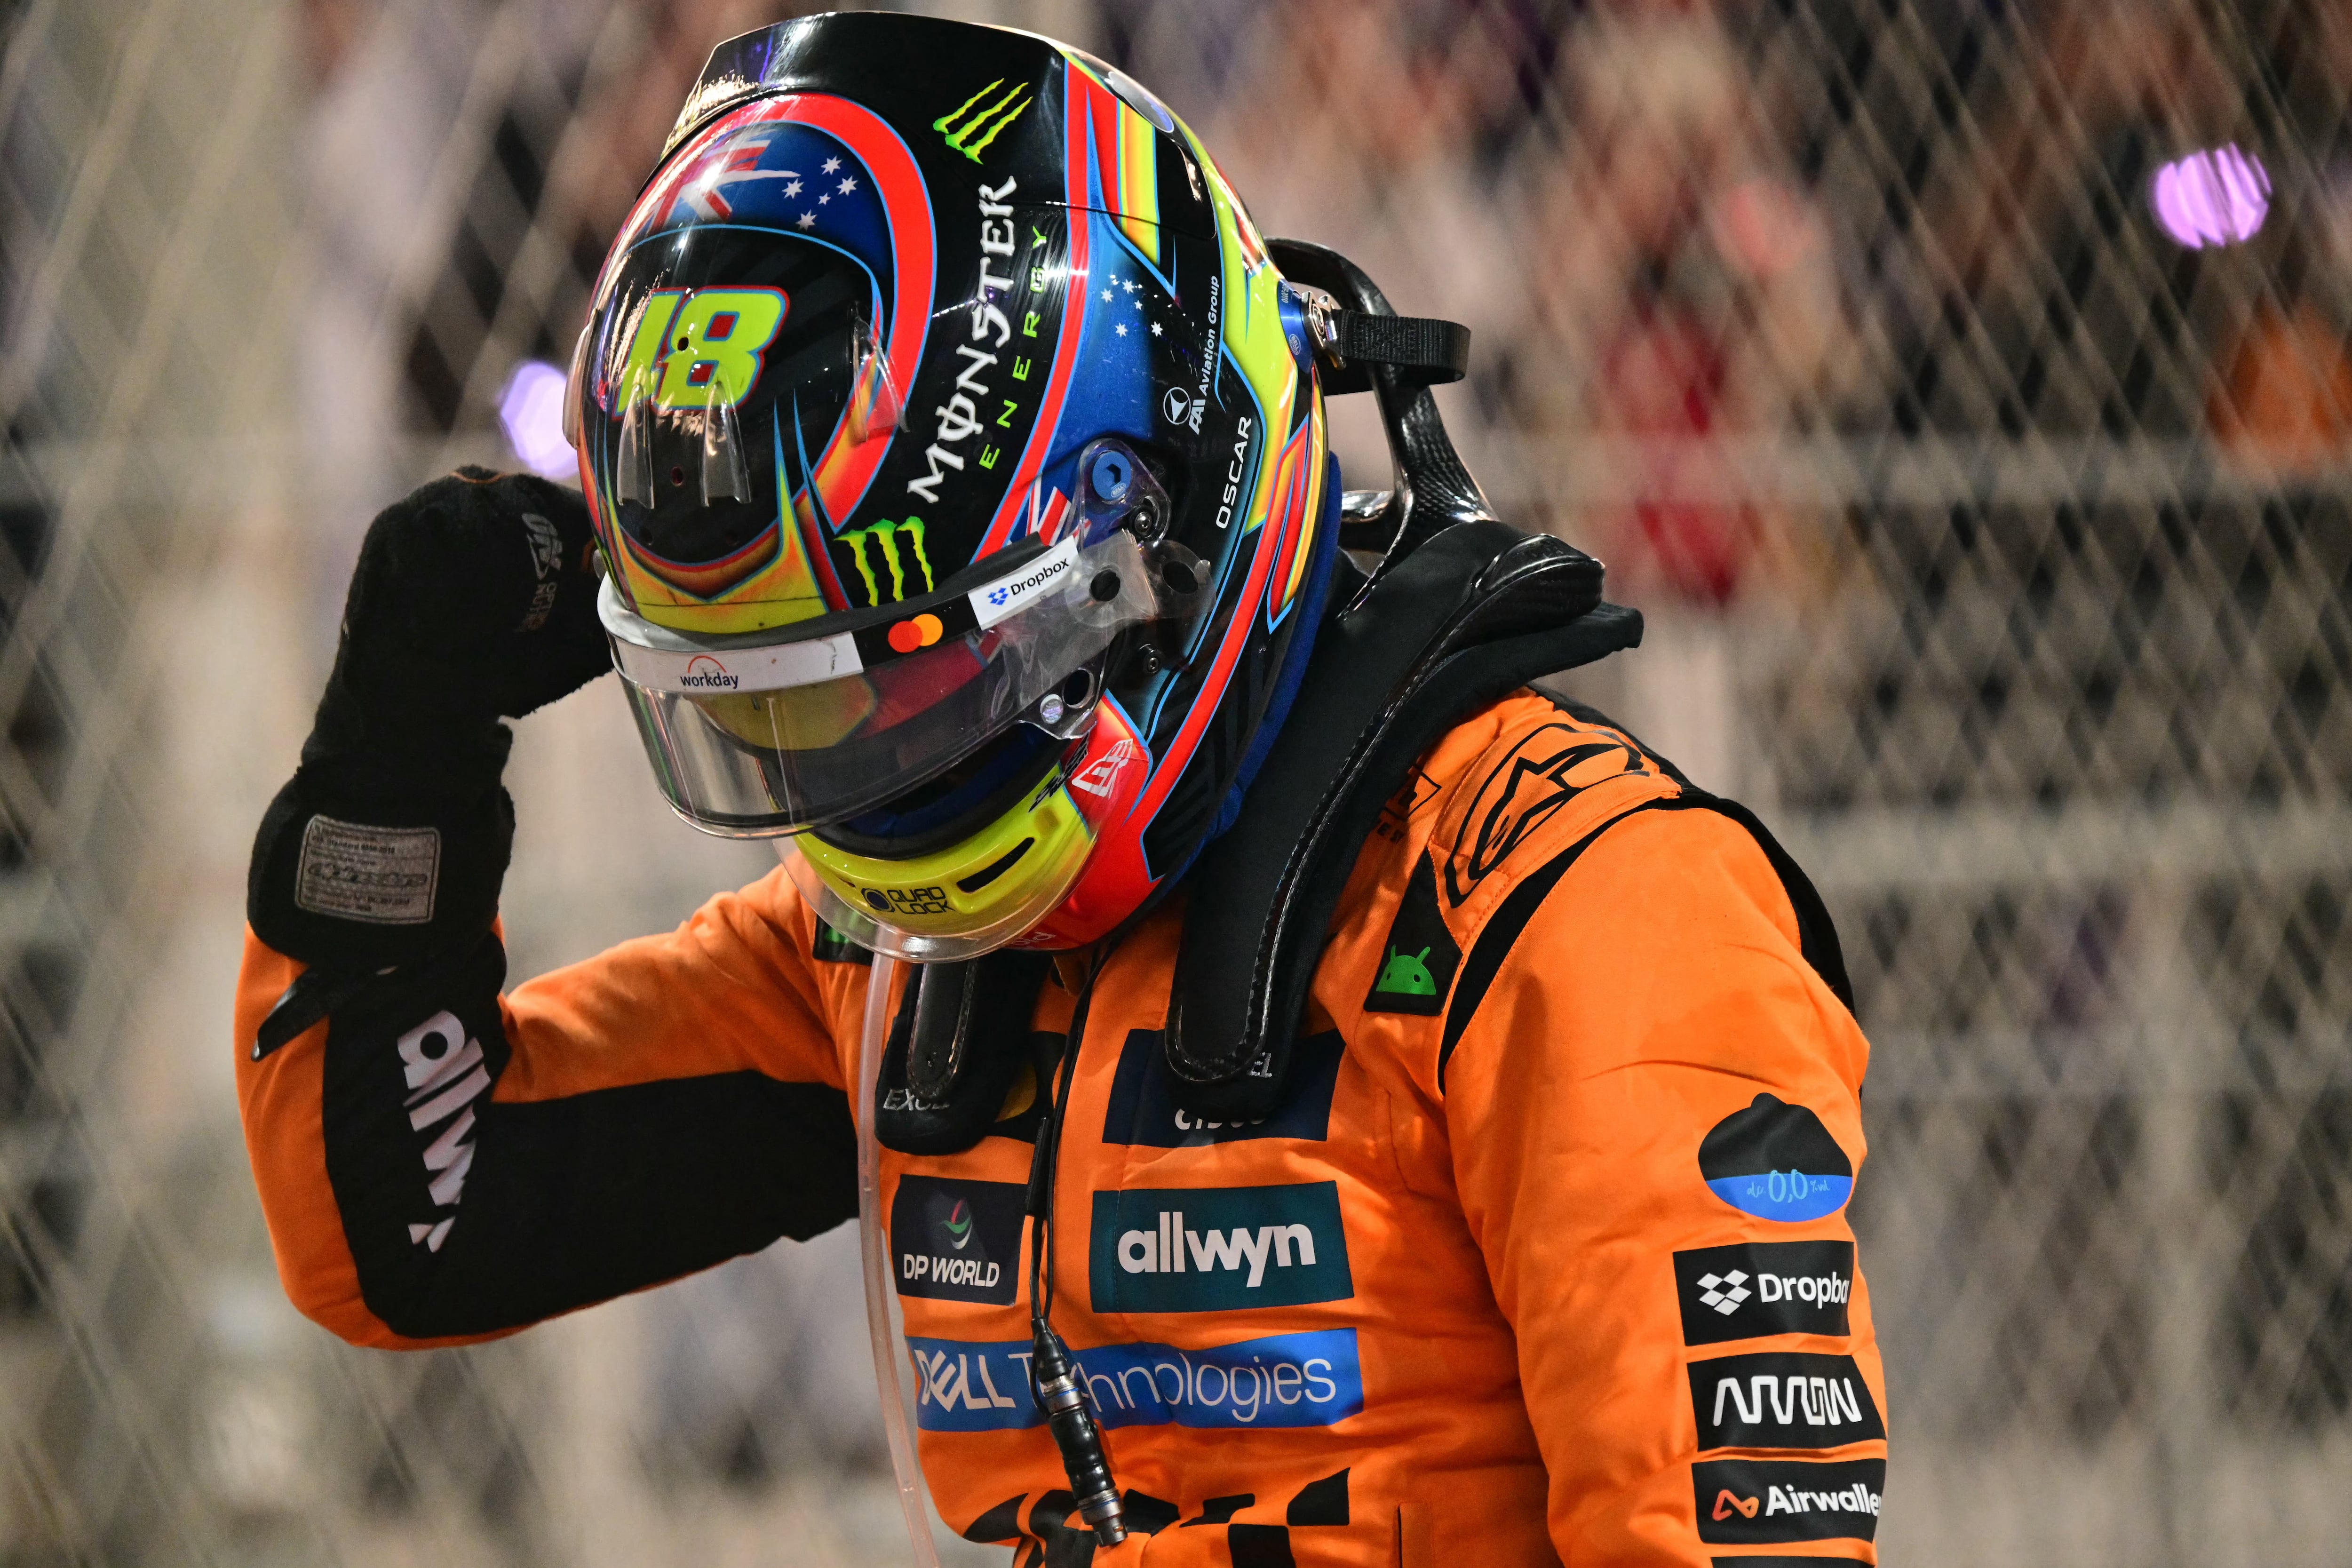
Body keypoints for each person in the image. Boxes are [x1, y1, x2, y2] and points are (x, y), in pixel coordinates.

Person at [234, 14, 1888, 1565]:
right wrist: (403, 765)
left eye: (914, 684)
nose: (876, 778)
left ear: (1148, 527)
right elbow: (411, 1229)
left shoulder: (1585, 910)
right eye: (814, 721)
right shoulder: (886, 959)